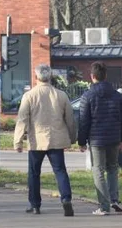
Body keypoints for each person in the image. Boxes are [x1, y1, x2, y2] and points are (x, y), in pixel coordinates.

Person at [13, 64, 77, 216]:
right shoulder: (61, 95)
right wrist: (73, 137)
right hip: (57, 139)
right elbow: (70, 119)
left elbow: (22, 119)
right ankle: (66, 199)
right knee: (60, 171)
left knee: (34, 173)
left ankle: (35, 204)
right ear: (50, 77)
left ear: (36, 78)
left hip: (37, 140)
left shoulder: (29, 96)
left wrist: (18, 141)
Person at [77, 62, 122, 216]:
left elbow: (83, 121)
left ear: (92, 77)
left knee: (98, 170)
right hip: (114, 137)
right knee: (112, 168)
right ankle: (114, 199)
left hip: (96, 139)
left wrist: (81, 141)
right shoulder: (116, 95)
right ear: (105, 76)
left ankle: (104, 206)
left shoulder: (88, 96)